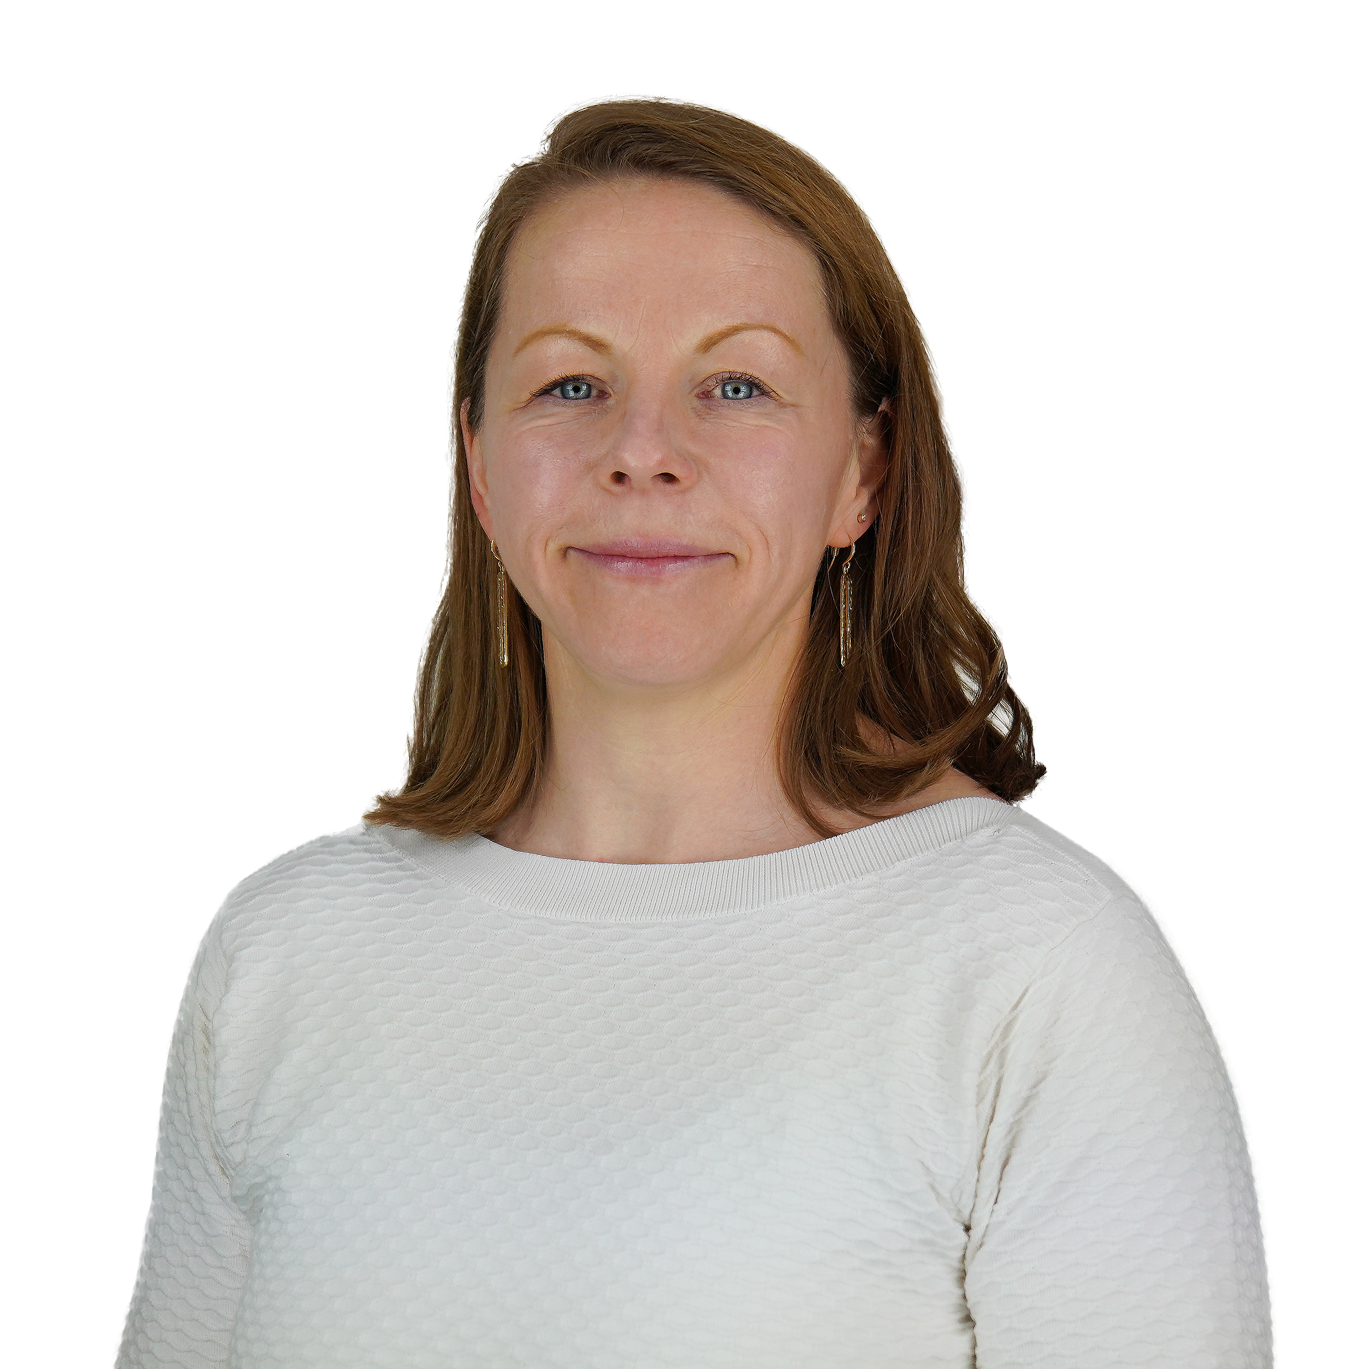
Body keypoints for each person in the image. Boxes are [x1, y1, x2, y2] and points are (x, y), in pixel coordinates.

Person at [113, 95, 1274, 1368]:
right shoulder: (284, 951)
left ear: (862, 471)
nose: (642, 452)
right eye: (570, 382)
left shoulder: (1041, 970)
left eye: (736, 385)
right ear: (479, 466)